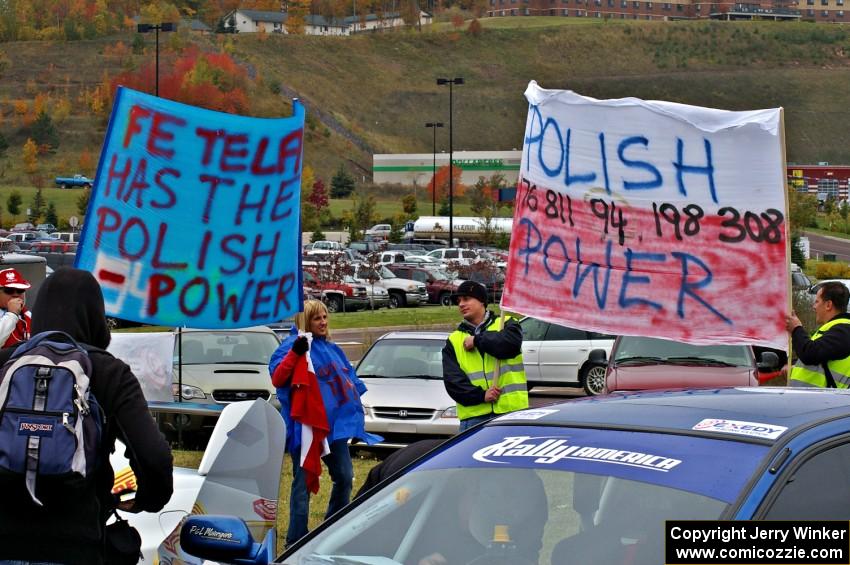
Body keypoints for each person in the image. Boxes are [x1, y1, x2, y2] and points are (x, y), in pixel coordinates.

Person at [0, 267, 174, 565]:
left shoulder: (6, 362)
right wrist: (149, 499)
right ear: (96, 314)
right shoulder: (108, 371)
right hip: (77, 541)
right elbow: (153, 454)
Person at [269, 299, 378, 548]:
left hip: (333, 430)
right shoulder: (290, 347)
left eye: (325, 317)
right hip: (306, 428)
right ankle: (296, 540)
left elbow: (348, 386)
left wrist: (350, 422)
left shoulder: (332, 349)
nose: (323, 322)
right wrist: (296, 352)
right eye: (317, 318)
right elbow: (278, 377)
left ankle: (331, 530)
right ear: (306, 320)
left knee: (345, 476)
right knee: (302, 484)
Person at [442, 280, 528, 431]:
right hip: (474, 419)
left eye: (466, 299)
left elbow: (509, 346)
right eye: (459, 301)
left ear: (481, 300)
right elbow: (453, 383)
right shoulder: (454, 340)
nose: (461, 304)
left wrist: (477, 340)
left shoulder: (507, 323)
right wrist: (481, 396)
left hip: (511, 414)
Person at [786, 281, 850, 388]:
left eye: (817, 301)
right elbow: (822, 361)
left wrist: (796, 328)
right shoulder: (835, 329)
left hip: (825, 402)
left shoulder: (844, 330)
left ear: (828, 305)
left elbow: (810, 353)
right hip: (817, 401)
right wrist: (794, 369)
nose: (813, 306)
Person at [0, 268, 31, 347]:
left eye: (20, 290)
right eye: (9, 291)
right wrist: (12, 314)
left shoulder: (27, 315)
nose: (16, 295)